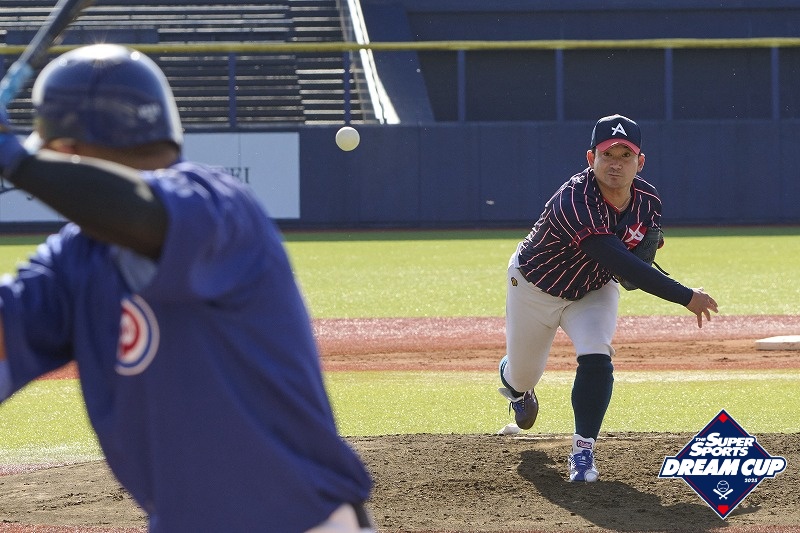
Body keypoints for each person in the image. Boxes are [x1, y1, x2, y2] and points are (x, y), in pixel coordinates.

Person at [0, 44, 374, 532]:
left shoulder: (218, 206)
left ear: (66, 151)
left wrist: (16, 161)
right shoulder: (74, 259)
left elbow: (144, 217)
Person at [498, 114, 718, 483]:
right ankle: (516, 387)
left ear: (639, 162)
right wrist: (685, 296)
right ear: (591, 158)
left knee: (597, 355)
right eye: (607, 155)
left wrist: (644, 250)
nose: (616, 164)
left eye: (625, 155)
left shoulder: (648, 200)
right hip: (535, 288)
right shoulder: (574, 199)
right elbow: (621, 261)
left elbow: (637, 255)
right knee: (523, 375)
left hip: (593, 290)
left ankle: (582, 453)